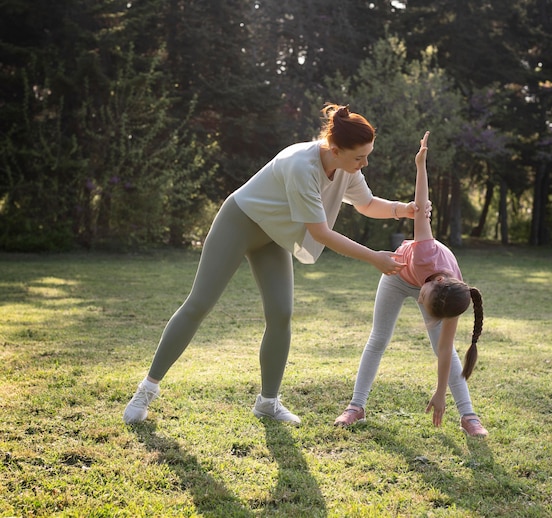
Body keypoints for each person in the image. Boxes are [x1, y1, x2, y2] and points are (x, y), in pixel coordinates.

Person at [123, 104, 425, 425]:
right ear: (335, 150)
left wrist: (401, 209)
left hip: (273, 236)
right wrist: (374, 257)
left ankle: (268, 402)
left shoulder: (345, 167)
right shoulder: (301, 165)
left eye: (367, 156)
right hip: (240, 222)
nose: (365, 164)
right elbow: (320, 232)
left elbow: (365, 203)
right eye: (359, 158)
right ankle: (146, 390)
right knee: (199, 304)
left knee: (281, 313)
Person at [334, 131, 488, 437]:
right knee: (378, 338)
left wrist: (440, 392)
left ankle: (468, 415)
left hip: (431, 288)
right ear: (434, 285)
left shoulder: (452, 298)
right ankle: (356, 406)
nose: (419, 302)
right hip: (396, 273)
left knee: (444, 349)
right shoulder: (426, 249)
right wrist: (420, 165)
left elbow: (445, 352)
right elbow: (421, 205)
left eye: (423, 301)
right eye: (423, 299)